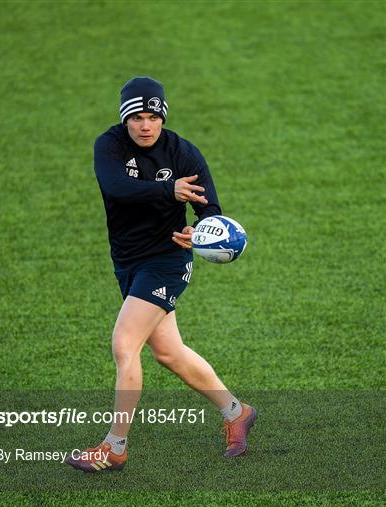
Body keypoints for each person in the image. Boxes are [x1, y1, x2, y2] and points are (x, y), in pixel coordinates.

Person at [66, 76, 257, 473]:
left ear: (163, 117)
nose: (146, 125)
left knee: (124, 344)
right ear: (125, 119)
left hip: (168, 260)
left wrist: (197, 231)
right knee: (169, 352)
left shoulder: (185, 153)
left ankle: (114, 447)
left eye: (153, 116)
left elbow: (210, 209)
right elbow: (116, 187)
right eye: (137, 117)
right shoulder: (110, 146)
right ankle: (236, 412)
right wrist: (167, 191)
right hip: (127, 260)